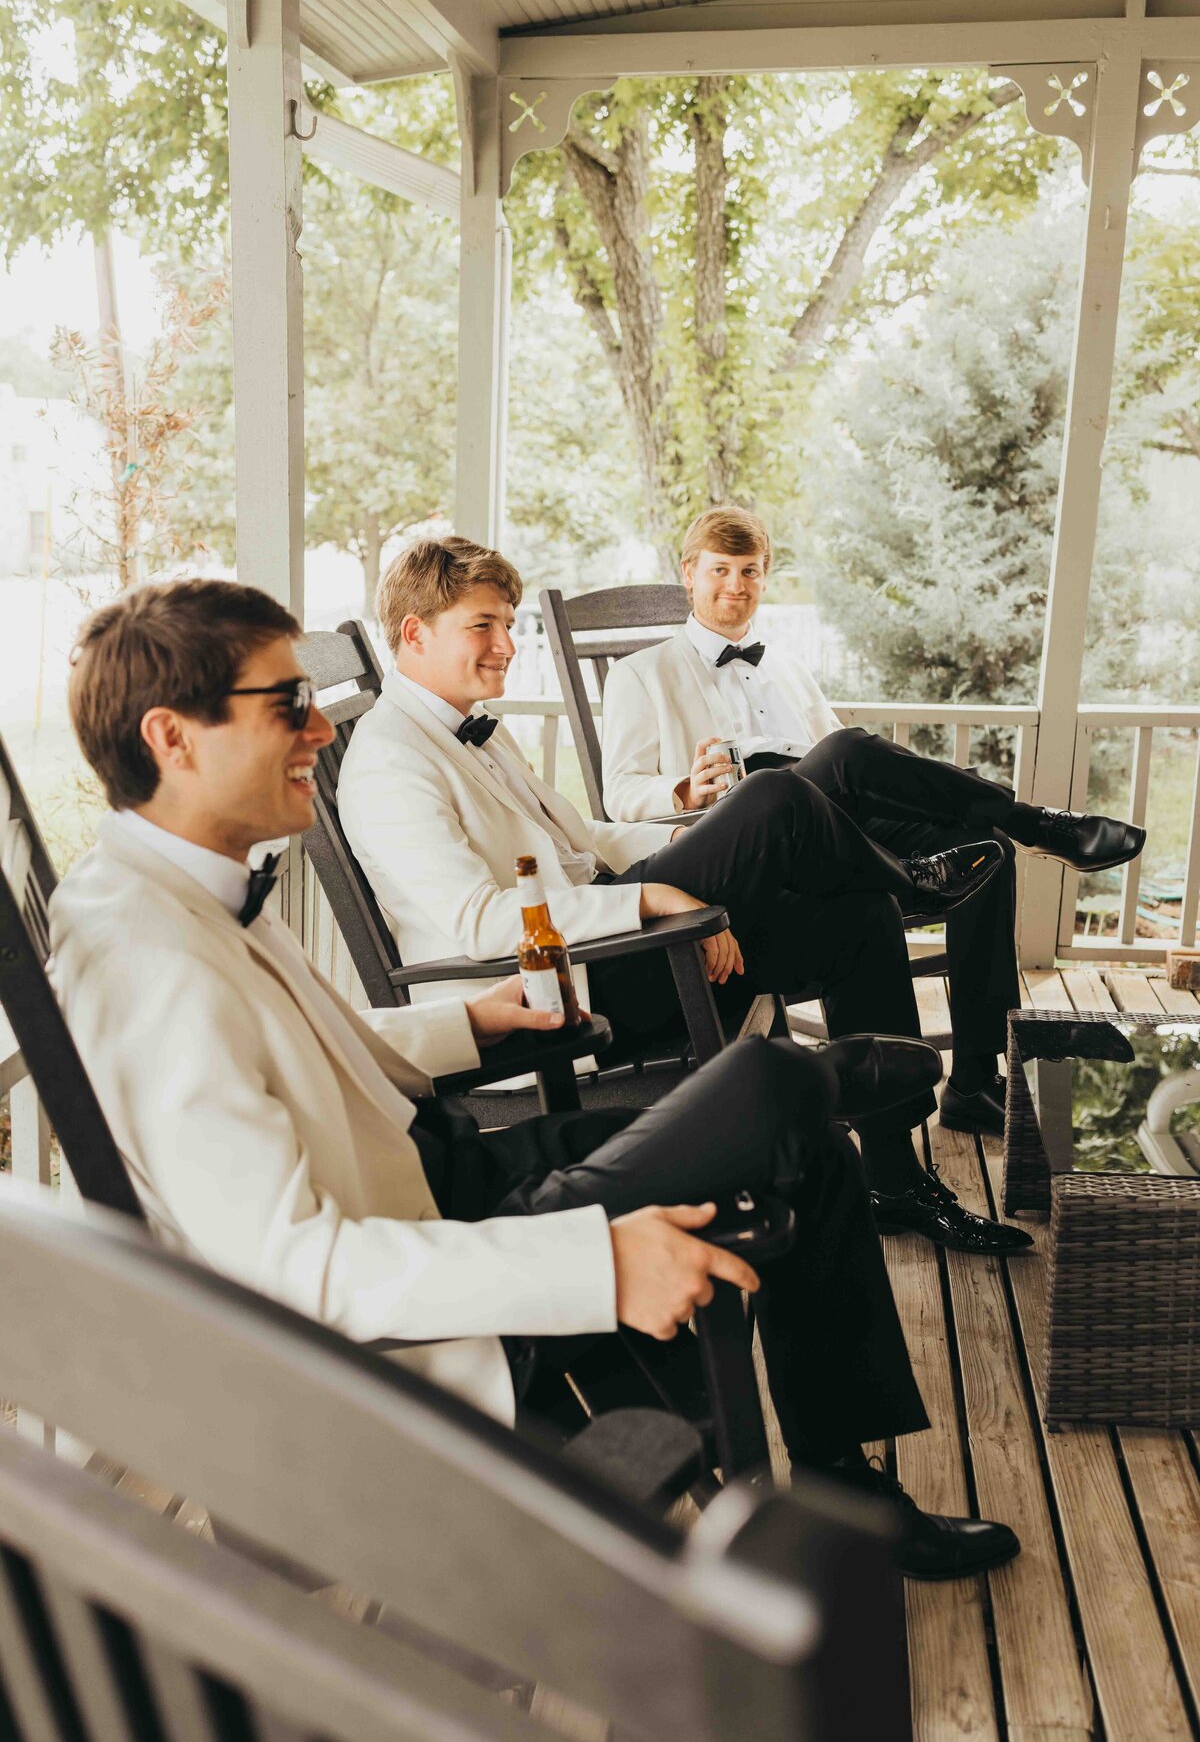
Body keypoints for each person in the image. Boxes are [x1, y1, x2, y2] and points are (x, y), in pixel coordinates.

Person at [50, 576, 1019, 1582]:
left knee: (789, 1122)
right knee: (774, 1094)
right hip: (434, 1267)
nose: (318, 736)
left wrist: (467, 1020)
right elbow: (297, 1268)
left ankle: (845, 1482)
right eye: (286, 705)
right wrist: (597, 1264)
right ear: (173, 736)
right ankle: (813, 1087)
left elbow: (307, 1044)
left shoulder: (182, 884)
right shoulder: (144, 958)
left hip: (442, 1174)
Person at [337, 536, 1031, 1256]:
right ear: (413, 632)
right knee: (774, 797)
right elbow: (481, 922)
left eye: (509, 623)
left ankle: (894, 1176)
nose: (508, 644)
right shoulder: (391, 759)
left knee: (858, 918)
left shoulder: (472, 727)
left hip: (613, 942)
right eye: (483, 624)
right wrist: (655, 903)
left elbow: (586, 844)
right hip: (560, 989)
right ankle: (917, 874)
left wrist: (676, 867)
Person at [602, 506, 1146, 1146]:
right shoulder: (643, 673)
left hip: (826, 831)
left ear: (765, 577)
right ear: (689, 573)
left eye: (750, 571)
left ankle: (974, 1076)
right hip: (743, 843)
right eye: (720, 570)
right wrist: (683, 787)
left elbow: (848, 775)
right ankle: (1040, 824)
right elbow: (618, 795)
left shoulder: (786, 668)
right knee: (848, 750)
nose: (735, 586)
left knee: (984, 848)